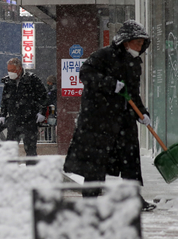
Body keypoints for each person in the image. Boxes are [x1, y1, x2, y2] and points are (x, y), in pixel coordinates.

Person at [62, 20, 156, 211]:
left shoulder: (134, 62)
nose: (139, 47)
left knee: (130, 161)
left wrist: (142, 112)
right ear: (125, 41)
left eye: (142, 43)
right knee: (96, 162)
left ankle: (133, 199)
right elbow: (85, 74)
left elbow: (132, 93)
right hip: (99, 120)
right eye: (137, 42)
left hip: (124, 120)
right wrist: (109, 83)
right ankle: (90, 200)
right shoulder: (103, 55)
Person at [0, 57, 47, 156]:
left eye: (12, 70)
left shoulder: (32, 79)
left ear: (20, 69)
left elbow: (43, 97)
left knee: (30, 149)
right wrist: (3, 115)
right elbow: (5, 100)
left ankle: (31, 170)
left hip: (29, 119)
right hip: (13, 119)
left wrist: (41, 112)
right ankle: (10, 170)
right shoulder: (8, 82)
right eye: (8, 70)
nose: (10, 73)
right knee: (10, 149)